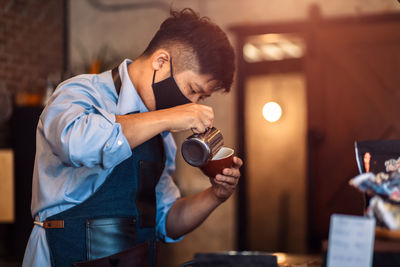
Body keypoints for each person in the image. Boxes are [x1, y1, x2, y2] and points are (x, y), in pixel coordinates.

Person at [22, 8, 242, 267]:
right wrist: (171, 117)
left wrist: (215, 195)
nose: (192, 104)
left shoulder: (161, 137)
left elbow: (165, 221)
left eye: (201, 98)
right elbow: (78, 144)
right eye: (193, 90)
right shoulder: (81, 93)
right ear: (160, 62)